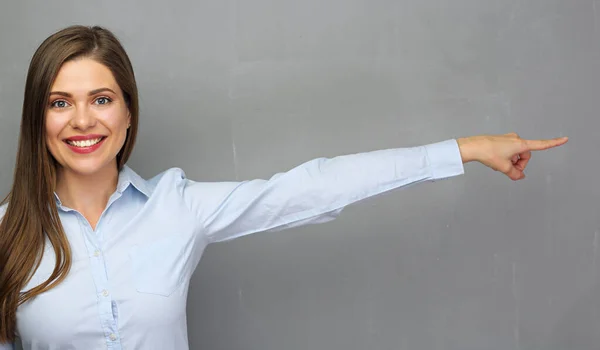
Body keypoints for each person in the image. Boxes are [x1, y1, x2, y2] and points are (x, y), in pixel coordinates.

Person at [0, 25, 567, 350]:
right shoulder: (7, 232)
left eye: (101, 99)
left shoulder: (177, 207)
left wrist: (463, 148)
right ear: (38, 119)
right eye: (59, 102)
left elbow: (313, 188)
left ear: (127, 113)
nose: (82, 120)